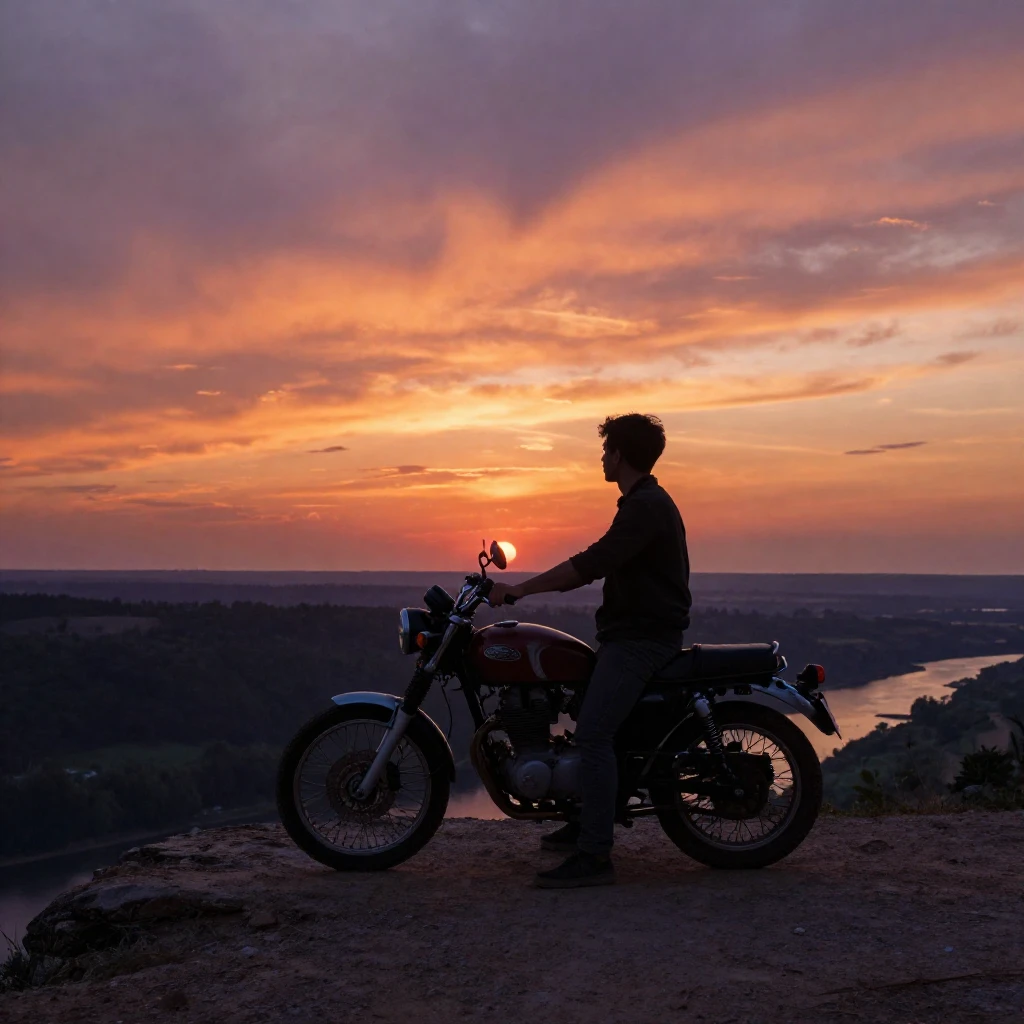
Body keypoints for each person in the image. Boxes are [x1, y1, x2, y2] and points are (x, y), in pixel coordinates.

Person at [488, 413, 691, 888]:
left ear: (619, 454)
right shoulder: (644, 502)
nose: (601, 457)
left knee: (595, 735)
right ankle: (585, 818)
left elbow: (589, 565)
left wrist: (519, 590)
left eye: (606, 450)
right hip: (631, 635)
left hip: (643, 641)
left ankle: (595, 857)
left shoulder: (645, 507)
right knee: (590, 716)